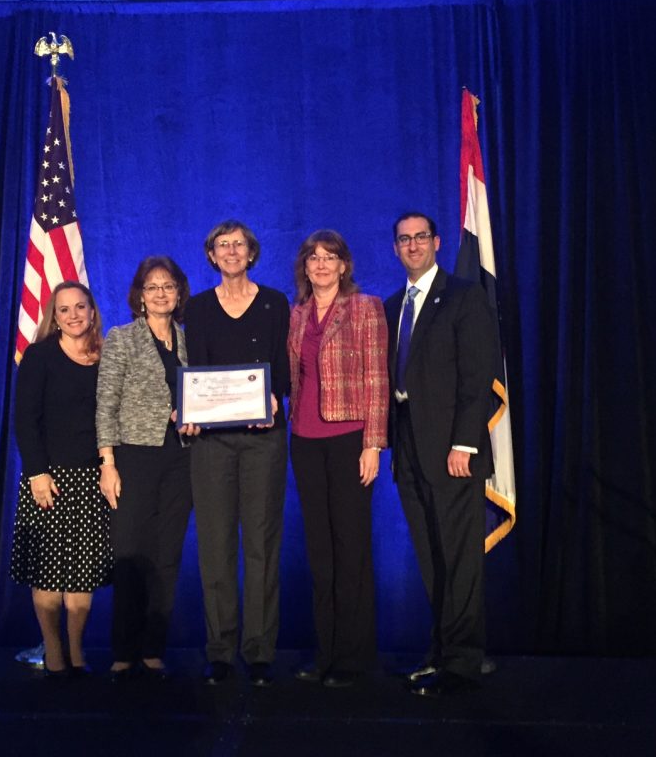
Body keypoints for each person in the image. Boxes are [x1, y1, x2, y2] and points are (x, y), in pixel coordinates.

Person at [384, 212, 496, 697]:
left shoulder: (465, 297)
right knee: (432, 555)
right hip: (407, 446)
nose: (413, 245)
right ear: (395, 249)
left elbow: (477, 376)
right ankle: (441, 652)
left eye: (420, 237)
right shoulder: (392, 306)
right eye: (404, 240)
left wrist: (464, 443)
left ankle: (464, 662)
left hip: (453, 449)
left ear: (436, 242)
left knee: (459, 556)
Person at [183, 220, 291, 687]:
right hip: (210, 442)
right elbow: (193, 370)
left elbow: (286, 365)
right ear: (211, 255)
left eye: (238, 244)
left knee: (262, 544)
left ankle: (261, 651)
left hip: (263, 437)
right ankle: (221, 650)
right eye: (221, 245)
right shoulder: (199, 307)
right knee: (215, 546)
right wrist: (187, 409)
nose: (230, 251)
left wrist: (276, 396)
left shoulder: (274, 302)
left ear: (251, 253)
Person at [287, 229, 388, 688]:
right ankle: (324, 653)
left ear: (344, 265)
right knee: (320, 552)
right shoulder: (297, 314)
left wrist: (374, 443)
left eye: (330, 257)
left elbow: (378, 379)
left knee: (351, 549)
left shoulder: (366, 308)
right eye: (314, 258)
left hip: (350, 439)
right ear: (305, 267)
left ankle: (352, 658)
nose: (322, 264)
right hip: (305, 440)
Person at [96, 256, 196, 682]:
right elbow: (106, 403)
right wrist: (108, 462)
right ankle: (124, 649)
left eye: (167, 286)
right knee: (130, 555)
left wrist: (196, 416)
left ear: (178, 293)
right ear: (139, 294)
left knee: (167, 556)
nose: (160, 293)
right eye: (151, 286)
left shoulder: (189, 339)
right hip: (133, 457)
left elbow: (201, 395)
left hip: (181, 458)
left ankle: (154, 647)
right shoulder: (121, 339)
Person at [11, 280, 113, 677]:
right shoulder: (39, 356)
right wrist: (37, 471)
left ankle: (76, 650)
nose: (74, 315)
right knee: (50, 569)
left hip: (92, 479)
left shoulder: (106, 357)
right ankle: (53, 651)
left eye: (81, 308)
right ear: (54, 315)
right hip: (48, 479)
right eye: (65, 309)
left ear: (92, 313)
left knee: (82, 574)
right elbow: (25, 419)